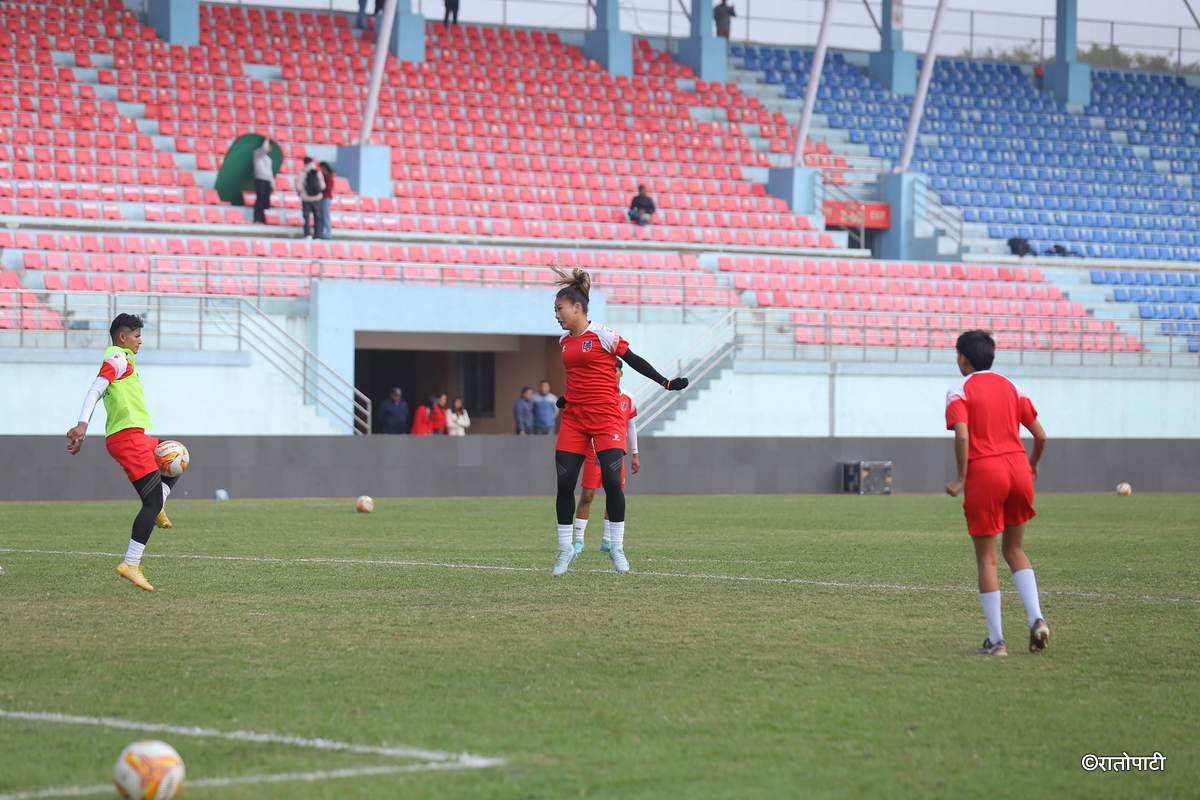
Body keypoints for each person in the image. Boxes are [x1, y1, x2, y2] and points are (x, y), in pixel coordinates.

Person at [550, 267, 687, 577]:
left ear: (577, 308)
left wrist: (665, 383)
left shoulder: (604, 335)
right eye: (555, 310)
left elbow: (634, 360)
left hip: (607, 417)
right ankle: (565, 549)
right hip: (574, 419)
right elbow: (578, 380)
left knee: (612, 483)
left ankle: (617, 547)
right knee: (564, 484)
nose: (557, 315)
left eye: (560, 309)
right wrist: (565, 400)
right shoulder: (563, 343)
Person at [944, 330, 1050, 657]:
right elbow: (1041, 435)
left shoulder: (959, 389)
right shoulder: (1011, 386)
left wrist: (961, 478)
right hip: (1018, 469)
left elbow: (962, 436)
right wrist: (1031, 465)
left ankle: (996, 641)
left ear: (963, 358)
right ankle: (1037, 619)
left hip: (985, 472)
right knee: (1015, 550)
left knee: (987, 559)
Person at [65, 314, 184, 593]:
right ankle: (131, 564)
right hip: (127, 438)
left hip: (137, 436)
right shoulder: (117, 357)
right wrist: (82, 424)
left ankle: (159, 506)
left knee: (175, 458)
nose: (140, 340)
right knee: (151, 502)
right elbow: (95, 389)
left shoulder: (125, 360)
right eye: (137, 335)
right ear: (123, 337)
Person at [573, 361, 638, 557]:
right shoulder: (595, 395)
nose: (612, 374)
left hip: (617, 452)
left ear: (621, 373)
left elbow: (631, 426)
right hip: (594, 452)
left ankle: (608, 541)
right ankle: (578, 541)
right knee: (587, 496)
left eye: (615, 370)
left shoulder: (629, 398)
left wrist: (635, 453)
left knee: (614, 494)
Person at [297, 156, 326, 240]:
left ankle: (307, 235)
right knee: (318, 217)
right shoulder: (318, 172)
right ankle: (318, 235)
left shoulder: (302, 172)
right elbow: (323, 186)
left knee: (306, 217)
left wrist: (301, 192)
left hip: (306, 199)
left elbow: (299, 186)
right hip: (317, 199)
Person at [252, 137, 273, 224]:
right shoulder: (257, 153)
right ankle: (257, 219)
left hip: (268, 180)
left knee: (266, 201)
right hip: (260, 179)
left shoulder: (269, 159)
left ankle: (265, 219)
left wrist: (272, 183)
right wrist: (267, 140)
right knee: (259, 199)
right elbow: (264, 149)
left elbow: (270, 171)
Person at [318, 161, 335, 240]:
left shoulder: (329, 176)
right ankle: (322, 233)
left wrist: (321, 188)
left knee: (325, 216)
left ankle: (328, 233)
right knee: (321, 216)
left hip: (326, 198)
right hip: (322, 197)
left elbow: (328, 188)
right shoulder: (324, 175)